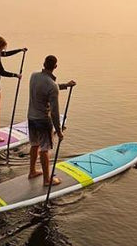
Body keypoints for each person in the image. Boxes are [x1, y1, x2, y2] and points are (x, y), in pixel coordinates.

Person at [28, 55, 76, 186]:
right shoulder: (52, 86)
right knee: (45, 149)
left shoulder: (33, 76)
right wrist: (59, 131)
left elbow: (48, 87)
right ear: (55, 67)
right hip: (43, 120)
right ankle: (47, 180)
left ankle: (32, 171)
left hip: (31, 117)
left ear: (43, 64)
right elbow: (54, 112)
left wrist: (66, 85)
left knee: (34, 144)